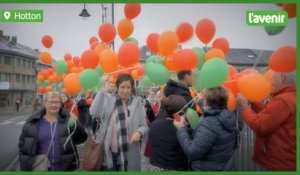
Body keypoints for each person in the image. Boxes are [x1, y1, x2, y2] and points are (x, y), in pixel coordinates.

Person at [237, 71, 296, 171]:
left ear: (282, 77)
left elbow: (260, 125)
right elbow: (271, 117)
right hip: (288, 159)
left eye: (274, 77)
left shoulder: (282, 100)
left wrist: (244, 107)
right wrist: (255, 103)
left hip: (281, 162)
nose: (272, 82)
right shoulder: (291, 97)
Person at [90, 74, 148, 171]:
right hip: (108, 153)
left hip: (129, 152)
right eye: (122, 87)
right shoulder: (109, 99)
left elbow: (144, 126)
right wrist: (102, 89)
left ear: (131, 88)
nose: (125, 91)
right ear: (117, 87)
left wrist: (139, 132)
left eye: (128, 87)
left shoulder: (137, 103)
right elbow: (94, 112)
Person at [174, 87, 241, 171]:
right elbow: (214, 109)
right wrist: (199, 100)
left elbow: (193, 152)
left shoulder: (209, 124)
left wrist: (181, 129)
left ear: (207, 101)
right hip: (224, 167)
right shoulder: (229, 116)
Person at [18, 91, 87, 171]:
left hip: (65, 168)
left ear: (61, 104)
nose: (54, 105)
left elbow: (82, 138)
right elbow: (23, 148)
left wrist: (76, 123)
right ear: (45, 103)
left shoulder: (67, 121)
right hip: (41, 168)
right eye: (51, 102)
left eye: (57, 102)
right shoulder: (33, 123)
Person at [148, 95, 188, 171]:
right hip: (176, 168)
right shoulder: (182, 130)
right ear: (183, 111)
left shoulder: (154, 124)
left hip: (155, 167)